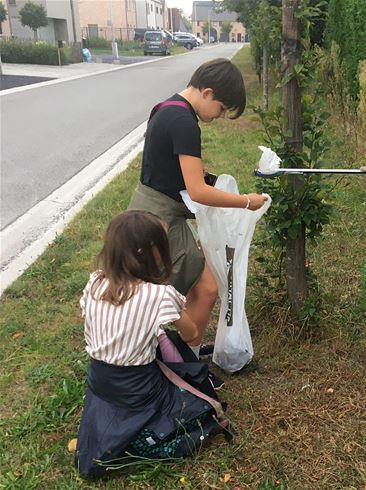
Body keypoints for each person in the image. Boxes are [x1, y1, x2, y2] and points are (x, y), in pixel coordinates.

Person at [128, 58, 267, 362]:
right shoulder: (184, 123)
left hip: (144, 212)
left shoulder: (165, 108)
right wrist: (246, 201)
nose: (218, 116)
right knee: (204, 288)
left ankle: (178, 353)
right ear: (207, 92)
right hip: (161, 220)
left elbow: (169, 168)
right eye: (221, 108)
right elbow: (198, 191)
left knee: (178, 288)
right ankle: (183, 364)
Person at [75, 210, 229, 478]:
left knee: (160, 340)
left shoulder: (96, 282)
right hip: (139, 388)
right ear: (149, 252)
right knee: (176, 354)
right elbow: (192, 335)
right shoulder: (159, 295)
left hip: (99, 382)